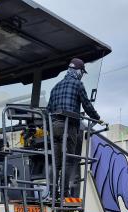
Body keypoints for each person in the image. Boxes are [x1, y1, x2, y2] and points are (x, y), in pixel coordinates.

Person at [46, 58, 102, 199]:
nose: (82, 75)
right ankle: (64, 194)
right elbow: (87, 105)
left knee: (55, 162)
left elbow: (48, 110)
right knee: (68, 160)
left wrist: (50, 127)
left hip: (54, 127)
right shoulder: (78, 84)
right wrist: (97, 118)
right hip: (69, 127)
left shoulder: (55, 87)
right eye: (82, 72)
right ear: (78, 71)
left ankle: (52, 193)